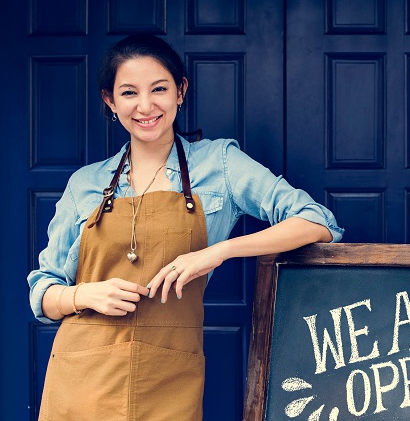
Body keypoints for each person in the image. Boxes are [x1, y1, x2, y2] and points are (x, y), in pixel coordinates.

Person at [27, 34, 343, 420]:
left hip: (168, 379)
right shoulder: (85, 184)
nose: (146, 106)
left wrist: (219, 252)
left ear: (180, 91)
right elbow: (43, 292)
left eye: (159, 89)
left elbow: (318, 222)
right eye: (129, 93)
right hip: (81, 379)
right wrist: (85, 295)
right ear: (110, 101)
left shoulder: (219, 165)